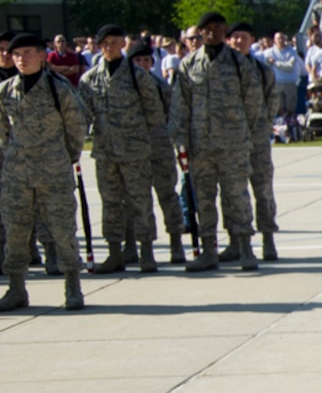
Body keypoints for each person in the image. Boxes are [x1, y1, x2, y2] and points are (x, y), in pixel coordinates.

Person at [0, 32, 88, 311]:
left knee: (62, 229)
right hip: (17, 175)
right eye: (16, 55)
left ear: (41, 55)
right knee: (16, 231)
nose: (21, 59)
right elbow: (3, 131)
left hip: (53, 171)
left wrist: (65, 156)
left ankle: (72, 285)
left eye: (27, 53)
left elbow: (76, 128)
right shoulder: (5, 90)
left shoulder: (58, 88)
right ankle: (16, 288)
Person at [169, 12, 258, 273]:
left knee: (237, 196)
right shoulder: (189, 65)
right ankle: (209, 250)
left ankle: (244, 247)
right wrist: (181, 140)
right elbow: (180, 105)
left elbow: (253, 102)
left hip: (232, 143)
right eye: (206, 29)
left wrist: (245, 133)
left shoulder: (239, 63)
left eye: (217, 28)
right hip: (201, 145)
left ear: (225, 31)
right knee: (204, 199)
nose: (212, 33)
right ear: (200, 33)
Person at [77, 25, 163, 274]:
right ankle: (115, 252)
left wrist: (150, 143)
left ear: (123, 44)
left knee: (140, 201)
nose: (109, 47)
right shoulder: (89, 79)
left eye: (114, 42)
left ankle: (146, 251)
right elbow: (83, 116)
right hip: (105, 152)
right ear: (98, 45)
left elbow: (154, 113)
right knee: (111, 203)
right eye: (104, 43)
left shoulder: (139, 76)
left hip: (135, 151)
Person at [228, 23, 282, 262]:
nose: (239, 42)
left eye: (244, 37)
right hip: (229, 140)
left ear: (252, 40)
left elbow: (273, 99)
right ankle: (236, 242)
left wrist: (262, 124)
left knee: (263, 190)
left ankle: (268, 239)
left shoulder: (261, 69)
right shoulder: (222, 69)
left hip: (257, 140)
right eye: (235, 38)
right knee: (232, 193)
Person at [131, 38, 187, 264]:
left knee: (168, 196)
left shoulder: (161, 86)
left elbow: (174, 115)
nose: (142, 64)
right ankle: (145, 248)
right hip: (133, 150)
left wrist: (169, 138)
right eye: (137, 60)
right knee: (139, 200)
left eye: (146, 60)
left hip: (159, 148)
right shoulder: (126, 88)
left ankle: (176, 242)